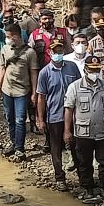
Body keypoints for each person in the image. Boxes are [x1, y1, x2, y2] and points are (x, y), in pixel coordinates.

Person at [64, 52, 104, 200]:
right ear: (85, 69)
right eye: (92, 70)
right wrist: (67, 131)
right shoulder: (75, 87)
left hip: (103, 131)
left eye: (97, 70)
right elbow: (69, 110)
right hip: (83, 132)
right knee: (84, 162)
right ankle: (88, 188)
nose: (94, 73)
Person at [36, 40, 83, 189]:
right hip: (54, 116)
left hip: (74, 115)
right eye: (55, 52)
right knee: (56, 148)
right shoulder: (44, 73)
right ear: (50, 53)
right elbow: (41, 97)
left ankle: (83, 177)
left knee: (77, 147)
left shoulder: (72, 67)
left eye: (60, 51)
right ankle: (60, 178)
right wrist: (40, 119)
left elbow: (80, 88)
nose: (58, 54)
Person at [0, 23, 40, 158]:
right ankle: (13, 143)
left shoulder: (30, 52)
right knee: (10, 118)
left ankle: (20, 147)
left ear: (15, 36)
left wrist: (34, 92)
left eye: (8, 36)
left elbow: (33, 73)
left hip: (22, 91)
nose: (7, 39)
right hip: (7, 89)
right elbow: (2, 68)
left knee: (20, 119)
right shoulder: (5, 50)